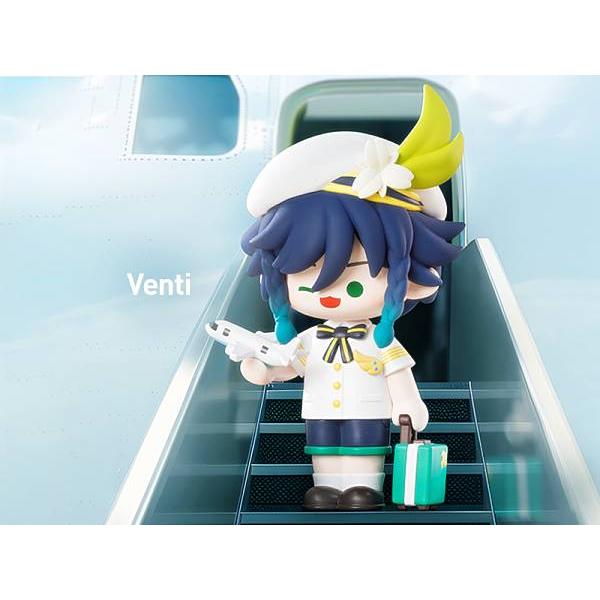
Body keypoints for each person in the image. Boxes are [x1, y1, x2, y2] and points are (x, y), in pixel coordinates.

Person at [237, 84, 465, 510]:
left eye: (355, 283)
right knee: (322, 449)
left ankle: (365, 487)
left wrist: (409, 402)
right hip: (320, 409)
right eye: (308, 276)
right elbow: (290, 366)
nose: (329, 295)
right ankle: (326, 487)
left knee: (363, 447)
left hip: (368, 408)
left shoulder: (380, 340)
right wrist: (262, 370)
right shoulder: (310, 339)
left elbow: (399, 375)